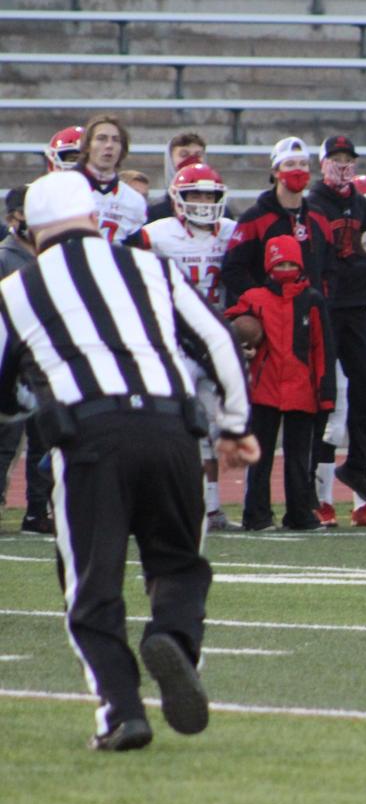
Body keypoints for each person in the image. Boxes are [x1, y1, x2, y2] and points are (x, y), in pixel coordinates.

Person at [0, 169, 258, 751]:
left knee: (91, 586)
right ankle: (172, 637)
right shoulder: (149, 267)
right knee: (179, 564)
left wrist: (31, 398)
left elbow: (2, 389)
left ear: (32, 231)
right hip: (171, 428)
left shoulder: (18, 288)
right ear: (94, 219)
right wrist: (236, 426)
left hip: (90, 435)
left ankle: (121, 710)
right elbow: (217, 340)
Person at [135, 163, 238, 531]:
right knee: (169, 426)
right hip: (172, 341)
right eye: (195, 194)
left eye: (209, 195)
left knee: (212, 426)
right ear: (178, 198)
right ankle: (163, 502)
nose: (202, 201)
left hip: (212, 341)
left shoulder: (231, 232)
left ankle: (211, 507)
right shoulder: (154, 234)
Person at [305, 135, 366, 523]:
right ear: (322, 164)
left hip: (356, 308)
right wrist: (361, 269)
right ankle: (308, 486)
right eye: (336, 159)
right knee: (324, 397)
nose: (343, 166)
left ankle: (356, 465)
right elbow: (321, 261)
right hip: (326, 309)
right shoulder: (314, 203)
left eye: (348, 159)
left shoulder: (358, 202)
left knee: (364, 390)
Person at [224, 236, 334, 531]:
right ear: (269, 267)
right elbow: (226, 325)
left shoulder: (312, 299)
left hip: (301, 389)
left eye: (290, 263)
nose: (285, 268)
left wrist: (326, 392)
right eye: (280, 263)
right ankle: (256, 515)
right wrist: (241, 343)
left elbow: (322, 347)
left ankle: (299, 514)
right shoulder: (255, 298)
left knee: (299, 460)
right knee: (260, 458)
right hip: (264, 390)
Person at [221, 136, 333, 307]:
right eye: (289, 164)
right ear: (275, 171)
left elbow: (331, 266)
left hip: (309, 311)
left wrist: (321, 299)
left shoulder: (318, 216)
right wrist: (263, 299)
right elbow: (233, 270)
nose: (297, 170)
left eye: (303, 164)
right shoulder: (254, 218)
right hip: (268, 316)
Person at [0, 184, 54, 534]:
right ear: (12, 217)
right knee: (6, 439)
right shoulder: (5, 257)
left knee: (42, 440)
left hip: (44, 358)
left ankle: (37, 511)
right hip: (11, 360)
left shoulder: (49, 254)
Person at [75, 114, 147, 244]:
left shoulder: (134, 200)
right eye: (101, 138)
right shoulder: (64, 189)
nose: (109, 145)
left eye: (116, 140)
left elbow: (135, 252)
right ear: (87, 146)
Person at [146, 132, 208, 223]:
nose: (192, 160)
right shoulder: (156, 212)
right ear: (170, 160)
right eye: (184, 155)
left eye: (198, 155)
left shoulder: (218, 210)